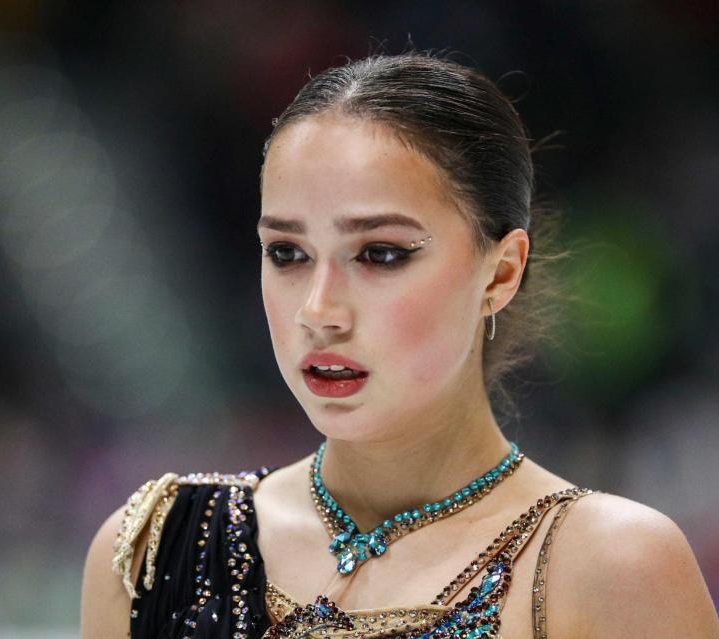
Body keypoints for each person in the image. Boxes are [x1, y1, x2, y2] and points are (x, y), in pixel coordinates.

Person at [80, 51, 719, 639]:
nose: (318, 310)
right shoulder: (155, 550)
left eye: (380, 254)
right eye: (288, 253)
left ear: (499, 273)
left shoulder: (611, 567)